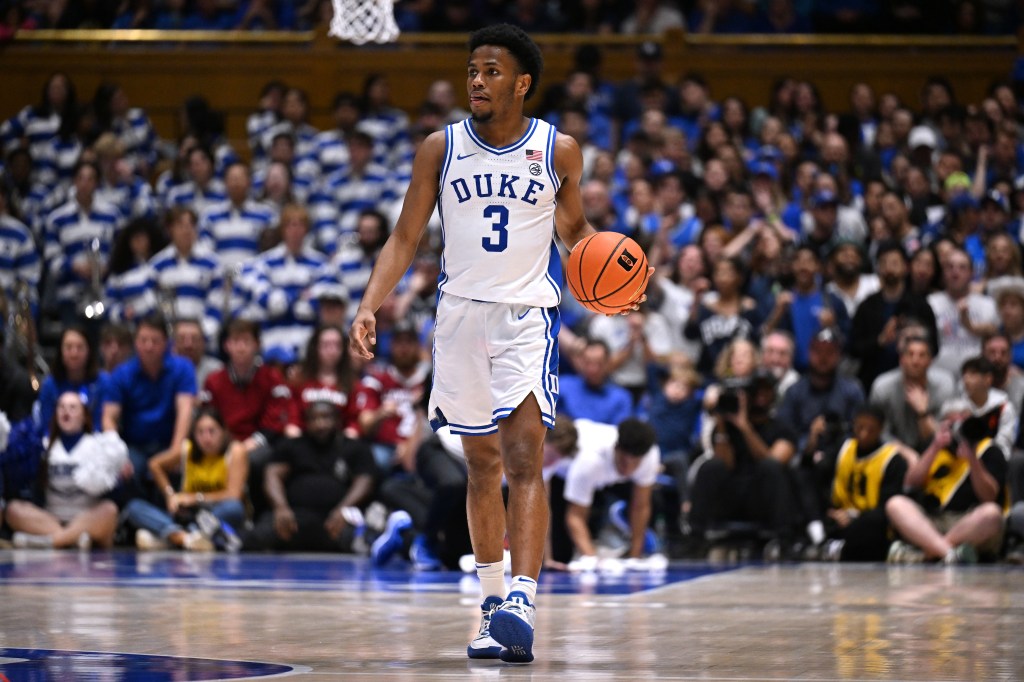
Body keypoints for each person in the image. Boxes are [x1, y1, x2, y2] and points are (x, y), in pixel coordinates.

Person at [349, 25, 643, 664]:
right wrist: (370, 304)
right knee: (479, 464)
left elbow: (574, 233)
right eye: (472, 70)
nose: (476, 81)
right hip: (457, 317)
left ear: (522, 83)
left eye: (489, 71)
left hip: (525, 317)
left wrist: (608, 280)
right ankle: (489, 603)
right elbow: (404, 237)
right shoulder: (440, 148)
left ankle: (523, 599)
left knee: (522, 456)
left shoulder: (557, 150)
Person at [243, 401, 376, 553]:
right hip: (294, 518)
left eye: (326, 418)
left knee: (363, 541)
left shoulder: (354, 447)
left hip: (337, 519)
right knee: (254, 538)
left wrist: (343, 508)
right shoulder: (291, 445)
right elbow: (272, 475)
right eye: (314, 419)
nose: (320, 424)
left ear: (338, 421)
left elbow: (365, 481)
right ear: (305, 422)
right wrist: (281, 507)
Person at [886, 399, 1007, 564]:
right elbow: (910, 484)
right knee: (895, 504)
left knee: (991, 514)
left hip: (967, 522)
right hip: (931, 522)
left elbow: (988, 497)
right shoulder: (936, 446)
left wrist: (972, 458)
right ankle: (949, 553)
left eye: (964, 423)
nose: (959, 430)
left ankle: (929, 552)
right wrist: (934, 447)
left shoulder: (990, 450)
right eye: (953, 424)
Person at [5, 392, 126, 550]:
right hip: (50, 518)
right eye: (61, 407)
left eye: (73, 407)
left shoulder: (98, 444)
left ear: (84, 416)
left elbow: (112, 489)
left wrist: (119, 476)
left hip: (86, 516)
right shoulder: (43, 445)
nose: (66, 411)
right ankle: (72, 538)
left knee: (109, 510)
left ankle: (49, 541)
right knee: (13, 509)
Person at [103, 313, 197, 501]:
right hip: (135, 445)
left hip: (169, 442)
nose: (149, 346)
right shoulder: (122, 373)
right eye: (143, 340)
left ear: (166, 343)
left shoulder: (183, 368)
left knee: (179, 470)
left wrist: (176, 451)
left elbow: (185, 410)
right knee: (126, 475)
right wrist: (117, 453)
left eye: (155, 341)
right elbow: (108, 417)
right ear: (135, 342)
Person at [125, 407, 247, 552]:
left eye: (212, 431)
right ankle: (185, 537)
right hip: (188, 513)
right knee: (134, 507)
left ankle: (171, 535)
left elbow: (233, 495)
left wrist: (196, 498)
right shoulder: (188, 449)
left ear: (223, 431)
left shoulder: (235, 451)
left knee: (234, 508)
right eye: (200, 432)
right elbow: (154, 464)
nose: (206, 438)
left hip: (215, 511)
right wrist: (170, 495)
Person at [550, 418, 661, 566]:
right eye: (624, 461)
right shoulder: (590, 460)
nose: (628, 469)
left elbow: (640, 507)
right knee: (561, 552)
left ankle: (633, 549)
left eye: (635, 463)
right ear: (616, 448)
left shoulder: (650, 455)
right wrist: (593, 559)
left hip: (607, 477)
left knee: (654, 499)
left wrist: (635, 556)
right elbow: (575, 516)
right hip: (563, 474)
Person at [820, 406, 913, 562]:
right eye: (859, 427)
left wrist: (853, 517)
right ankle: (822, 539)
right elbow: (818, 476)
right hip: (839, 517)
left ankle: (835, 548)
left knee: (875, 523)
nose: (863, 434)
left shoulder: (893, 459)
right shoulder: (843, 448)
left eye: (870, 430)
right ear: (853, 425)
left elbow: (886, 506)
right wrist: (832, 511)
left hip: (869, 522)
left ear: (881, 430)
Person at [868, 331, 956, 453]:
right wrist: (906, 453)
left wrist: (922, 413)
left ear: (930, 361)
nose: (915, 361)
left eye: (922, 355)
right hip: (892, 452)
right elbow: (879, 432)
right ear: (901, 359)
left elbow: (944, 436)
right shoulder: (882, 386)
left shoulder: (945, 384)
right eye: (910, 354)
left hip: (935, 451)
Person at [37, 325, 107, 429]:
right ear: (60, 352)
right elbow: (47, 427)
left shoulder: (103, 382)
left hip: (96, 441)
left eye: (80, 347)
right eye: (68, 347)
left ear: (89, 351)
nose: (74, 353)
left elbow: (102, 424)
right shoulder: (49, 385)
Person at [557, 339, 633, 425]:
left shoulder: (620, 398)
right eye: (588, 363)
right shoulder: (562, 386)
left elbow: (619, 433)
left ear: (608, 363)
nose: (592, 369)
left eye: (598, 364)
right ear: (581, 362)